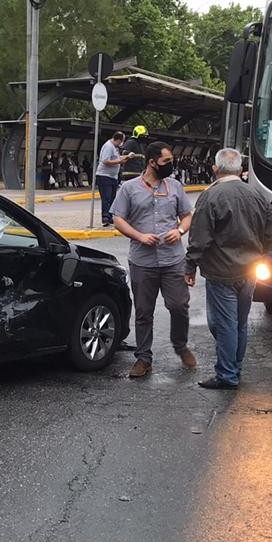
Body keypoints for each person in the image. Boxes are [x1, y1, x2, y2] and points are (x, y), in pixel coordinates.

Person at [184, 148, 272, 390]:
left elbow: (200, 238)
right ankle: (234, 367)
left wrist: (190, 265)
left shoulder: (211, 196)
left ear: (215, 169)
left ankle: (227, 375)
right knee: (239, 323)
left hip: (221, 272)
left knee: (223, 324)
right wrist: (261, 253)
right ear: (240, 169)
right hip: (249, 271)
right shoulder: (256, 195)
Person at [111, 141, 196, 379]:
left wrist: (179, 231)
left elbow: (187, 216)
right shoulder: (129, 188)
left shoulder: (175, 187)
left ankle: (180, 345)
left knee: (179, 305)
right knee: (143, 312)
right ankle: (143, 358)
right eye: (166, 162)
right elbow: (118, 219)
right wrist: (139, 236)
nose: (171, 165)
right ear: (152, 162)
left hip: (173, 260)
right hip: (142, 261)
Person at [94, 130, 130, 227]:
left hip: (112, 176)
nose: (122, 143)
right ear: (118, 139)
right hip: (104, 176)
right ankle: (105, 217)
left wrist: (126, 157)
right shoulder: (108, 146)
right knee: (106, 198)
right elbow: (105, 161)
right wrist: (119, 161)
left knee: (112, 198)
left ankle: (110, 217)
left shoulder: (115, 148)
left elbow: (115, 158)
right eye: (122, 141)